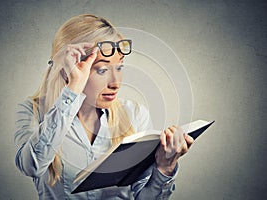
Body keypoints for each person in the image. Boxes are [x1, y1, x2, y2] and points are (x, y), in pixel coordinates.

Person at [14, 14, 194, 200]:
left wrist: (165, 169)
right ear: (69, 68)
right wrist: (73, 87)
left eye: (119, 67)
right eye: (102, 70)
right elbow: (31, 167)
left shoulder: (135, 114)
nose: (116, 83)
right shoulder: (33, 111)